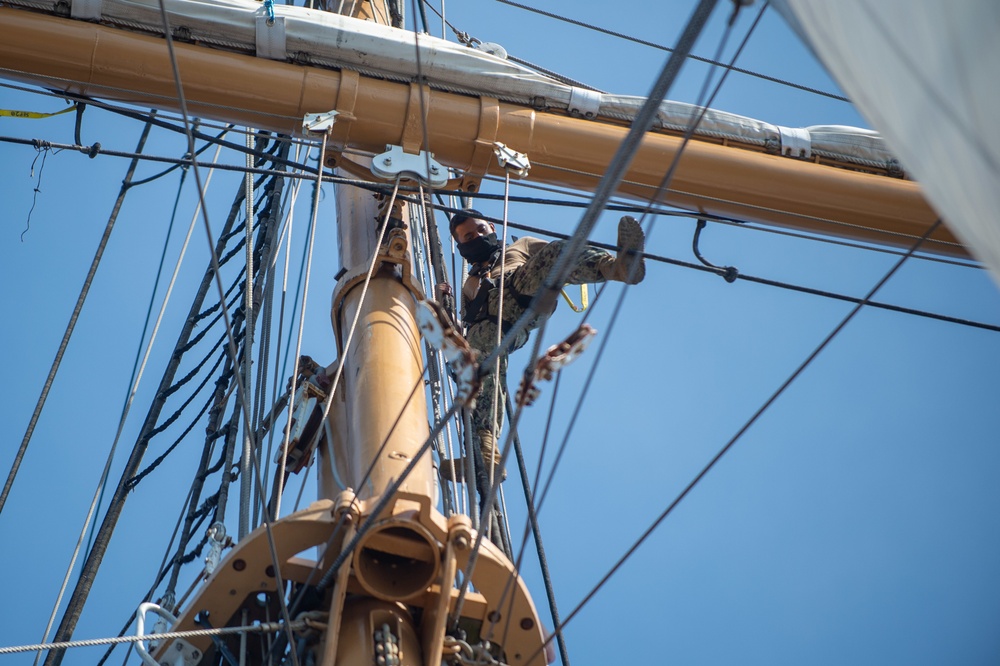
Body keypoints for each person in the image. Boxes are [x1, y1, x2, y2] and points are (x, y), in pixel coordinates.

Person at [449, 209, 646, 479]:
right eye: (468, 237)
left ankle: (617, 268)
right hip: (490, 325)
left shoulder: (521, 246)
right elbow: (464, 324)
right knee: (477, 368)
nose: (477, 237)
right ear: (461, 246)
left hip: (522, 293)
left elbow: (563, 256)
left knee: (554, 253)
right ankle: (484, 453)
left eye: (480, 230)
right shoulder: (469, 283)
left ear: (492, 227)